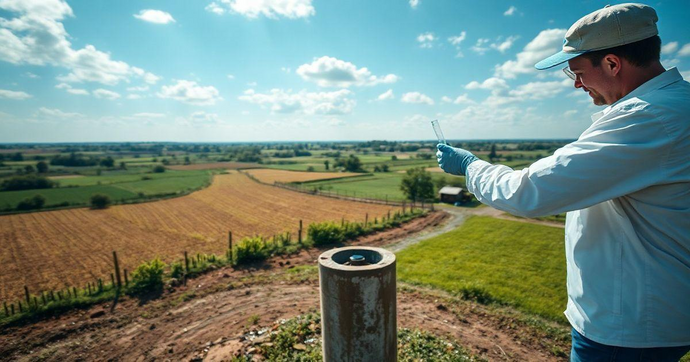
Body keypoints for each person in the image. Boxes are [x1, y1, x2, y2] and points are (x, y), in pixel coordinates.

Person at [436, 3, 690, 361]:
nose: (576, 84)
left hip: (628, 328)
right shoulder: (678, 104)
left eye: (578, 72)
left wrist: (470, 166)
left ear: (613, 63)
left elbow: (529, 191)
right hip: (653, 313)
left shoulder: (648, 118)